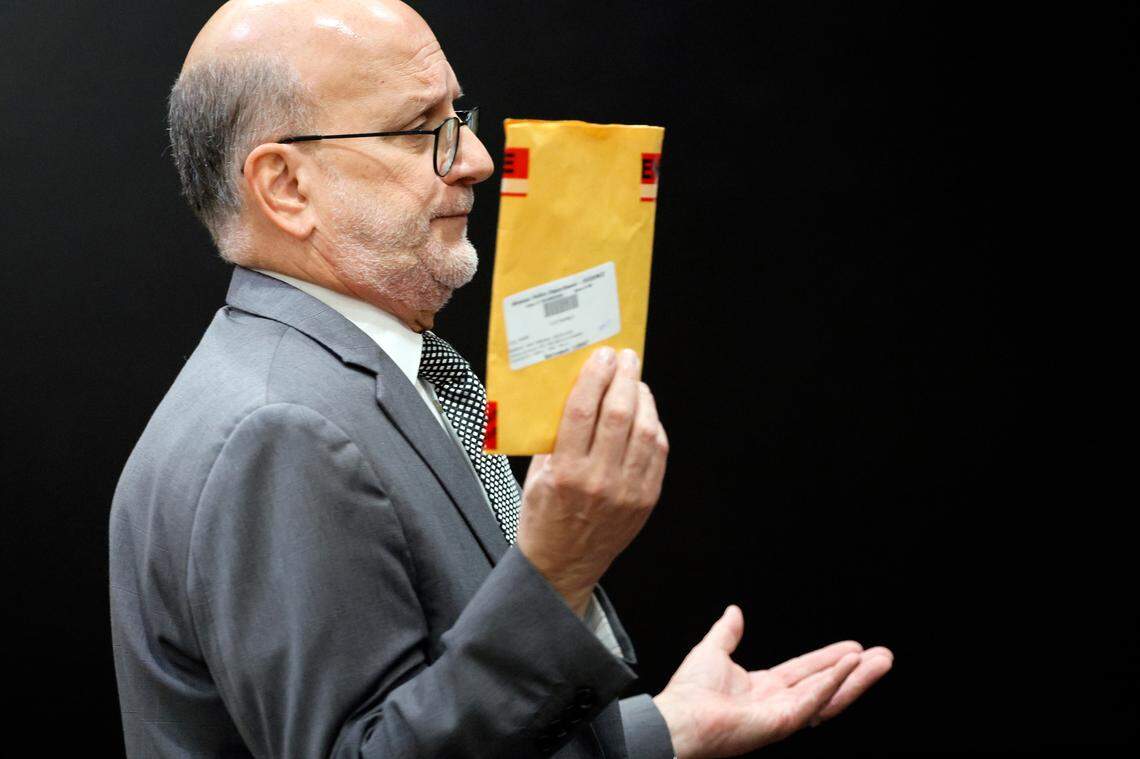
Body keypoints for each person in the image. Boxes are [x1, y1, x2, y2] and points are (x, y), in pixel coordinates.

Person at [108, 1, 894, 756]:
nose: (477, 159)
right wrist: (560, 570)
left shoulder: (327, 376)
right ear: (286, 186)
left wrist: (662, 731)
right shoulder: (280, 428)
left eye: (459, 117)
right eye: (422, 131)